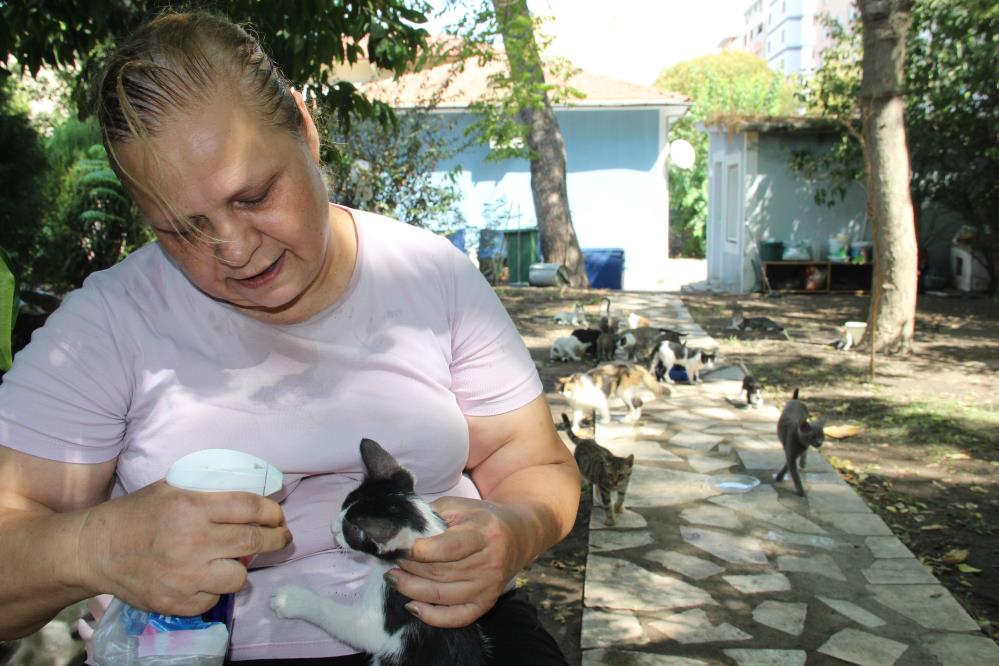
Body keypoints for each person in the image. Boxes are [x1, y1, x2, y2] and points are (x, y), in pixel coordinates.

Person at [0, 10, 580, 664]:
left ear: (304, 129)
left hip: (452, 635)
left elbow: (533, 464)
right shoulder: (107, 324)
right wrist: (97, 548)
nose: (235, 249)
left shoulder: (430, 274)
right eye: (182, 229)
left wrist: (513, 530)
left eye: (254, 195)